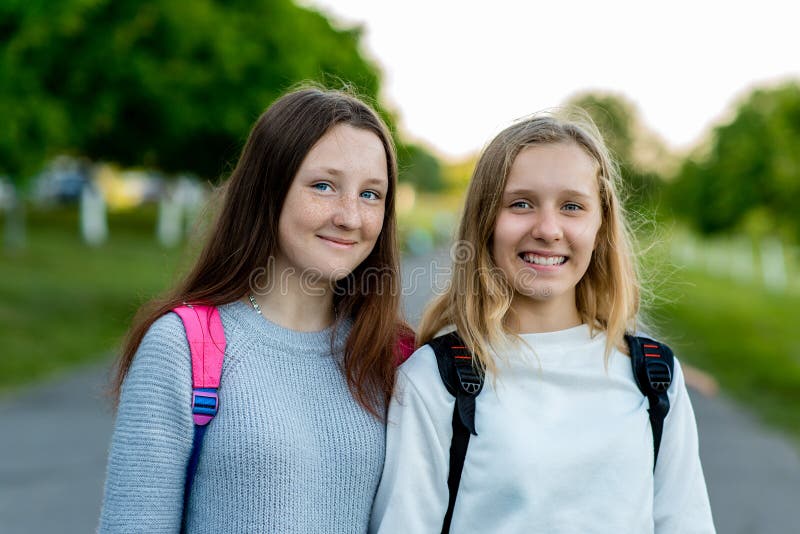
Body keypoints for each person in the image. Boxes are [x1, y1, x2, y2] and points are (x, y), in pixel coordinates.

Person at [370, 112, 716, 533]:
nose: (548, 229)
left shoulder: (654, 377)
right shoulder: (435, 381)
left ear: (600, 224)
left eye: (572, 206)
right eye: (521, 204)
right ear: (485, 223)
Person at [98, 86, 412, 533]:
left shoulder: (393, 356)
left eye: (371, 195)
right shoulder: (182, 348)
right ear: (269, 189)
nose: (350, 217)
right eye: (324, 186)